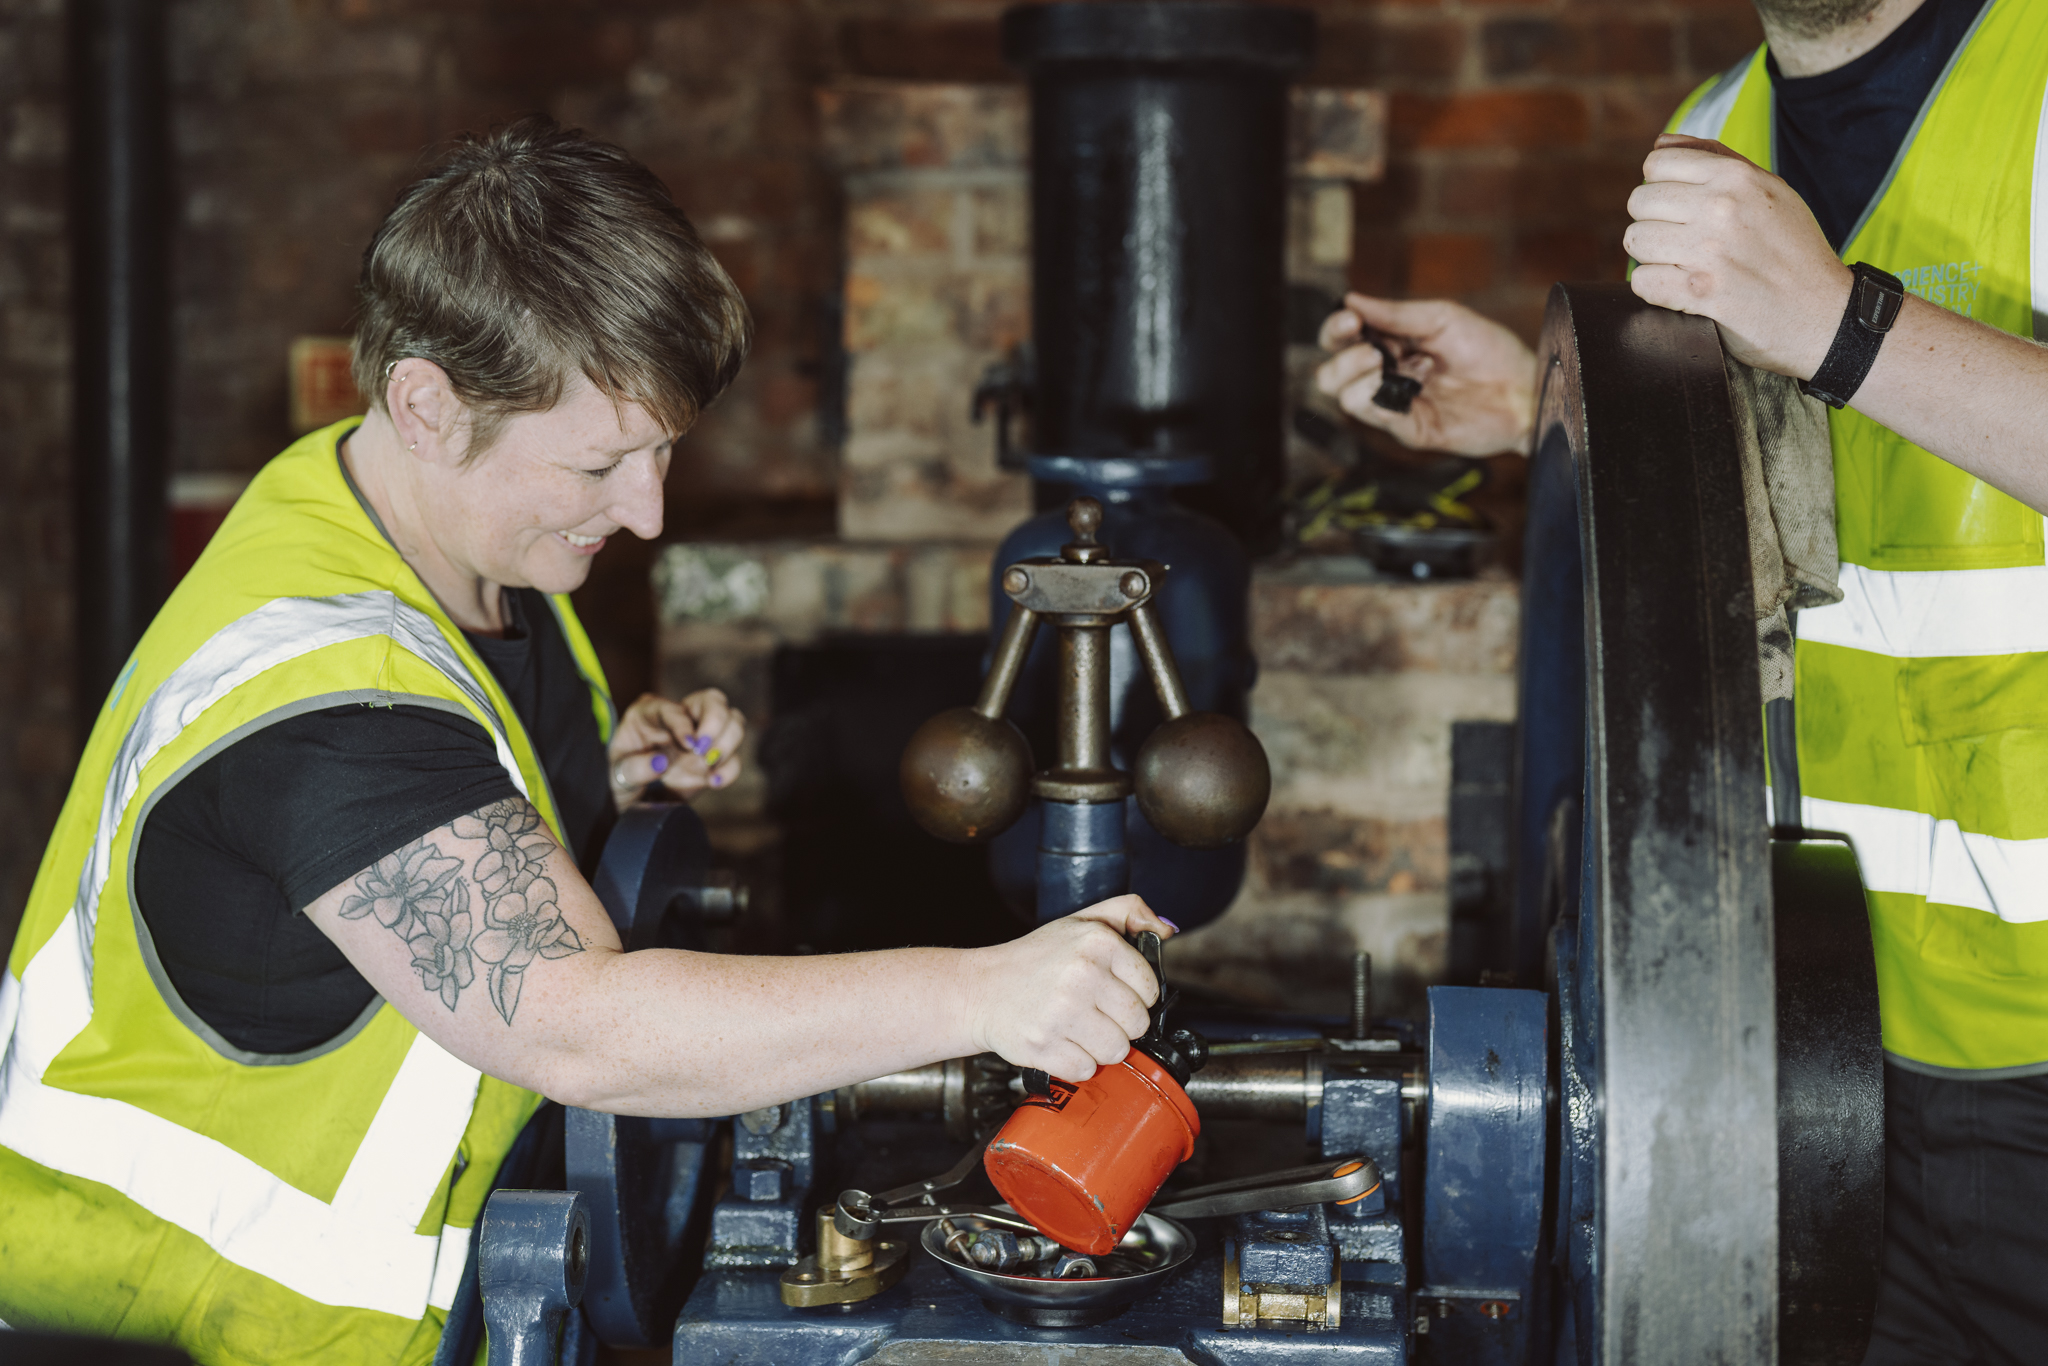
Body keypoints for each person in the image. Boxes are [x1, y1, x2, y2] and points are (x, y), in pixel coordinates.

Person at [0, 116, 1173, 1364]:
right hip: (161, 1324)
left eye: (664, 449)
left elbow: (410, 813)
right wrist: (988, 989)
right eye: (604, 462)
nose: (649, 512)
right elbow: (571, 1022)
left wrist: (584, 780)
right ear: (427, 402)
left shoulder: (425, 530)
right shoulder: (331, 694)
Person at [1319, 0, 2048, 1359]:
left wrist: (1842, 324)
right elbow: (1743, 519)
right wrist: (1539, 403)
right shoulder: (1715, 135)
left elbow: (1845, 353)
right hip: (1824, 1058)